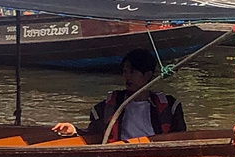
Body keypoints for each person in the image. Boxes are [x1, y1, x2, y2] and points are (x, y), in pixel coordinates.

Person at [52, 49, 185, 142]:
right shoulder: (110, 107)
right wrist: (74, 130)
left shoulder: (170, 107)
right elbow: (94, 134)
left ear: (148, 75)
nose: (127, 76)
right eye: (124, 72)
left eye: (132, 72)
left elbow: (181, 138)